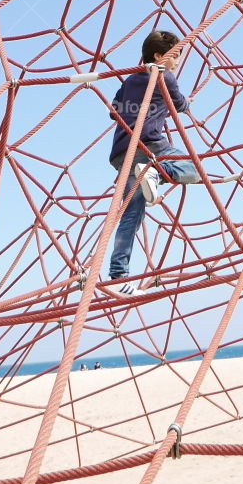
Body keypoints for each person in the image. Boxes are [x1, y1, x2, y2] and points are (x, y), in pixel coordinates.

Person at [106, 29, 200, 295]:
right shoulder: (165, 76)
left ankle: (118, 276)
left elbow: (113, 111)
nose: (177, 62)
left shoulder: (130, 79)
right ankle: (156, 172)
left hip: (122, 152)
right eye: (175, 56)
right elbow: (180, 105)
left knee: (131, 213)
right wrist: (186, 102)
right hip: (150, 146)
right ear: (159, 56)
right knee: (193, 169)